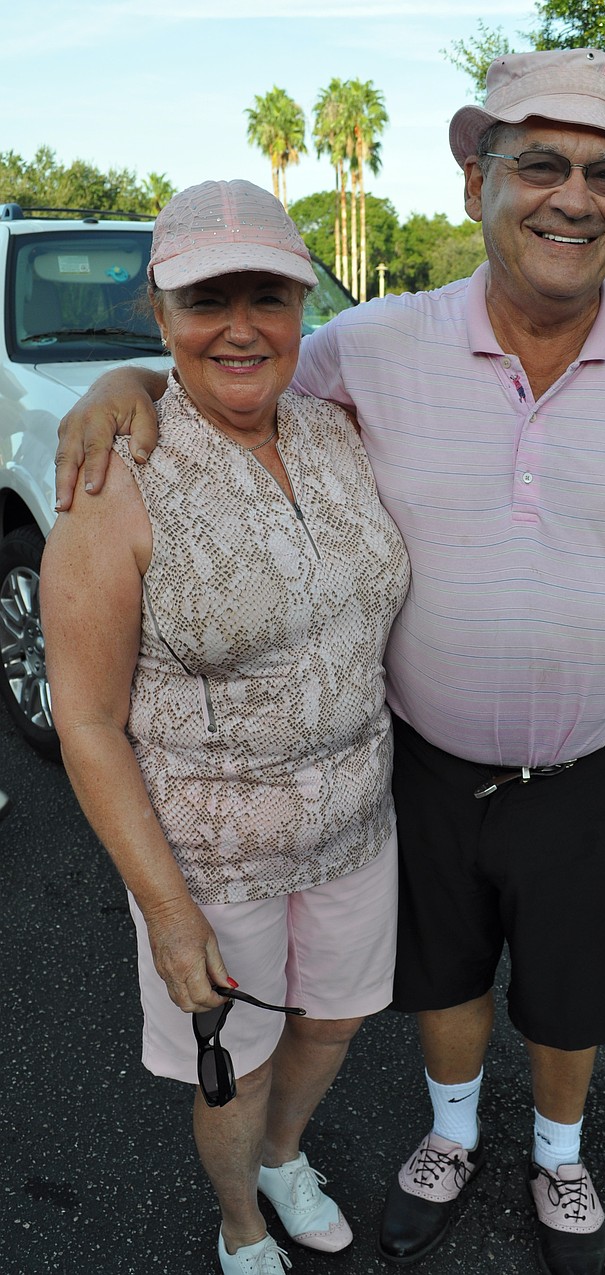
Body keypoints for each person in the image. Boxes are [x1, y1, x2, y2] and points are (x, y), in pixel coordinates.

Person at [54, 51, 605, 1275]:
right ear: (476, 177)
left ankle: (562, 1155)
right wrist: (119, 384)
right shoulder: (372, 346)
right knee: (444, 976)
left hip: (598, 758)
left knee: (575, 992)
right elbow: (228, 375)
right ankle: (453, 1133)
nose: (571, 197)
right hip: (421, 762)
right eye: (538, 163)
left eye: (603, 172)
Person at [41, 180, 410, 1275]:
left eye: (271, 295)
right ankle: (239, 1220)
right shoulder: (116, 478)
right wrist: (164, 912)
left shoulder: (339, 430)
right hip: (210, 861)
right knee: (233, 1066)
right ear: (159, 314)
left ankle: (285, 1161)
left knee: (334, 1023)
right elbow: (90, 722)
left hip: (354, 823)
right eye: (206, 299)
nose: (241, 325)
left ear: (306, 308)